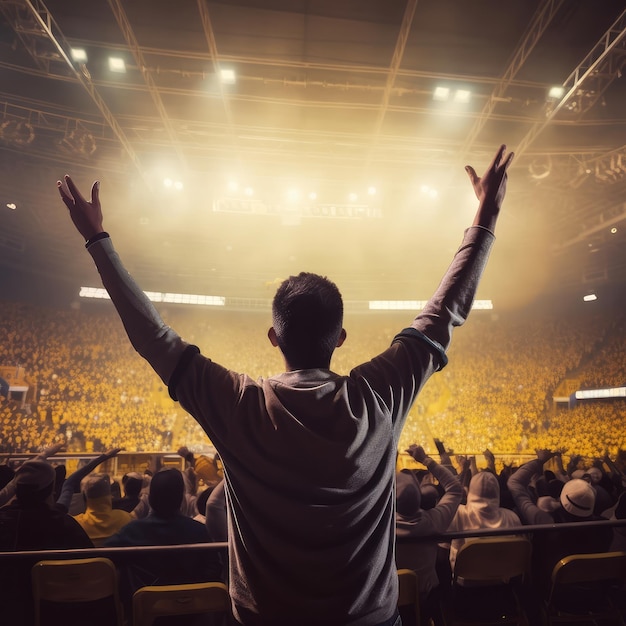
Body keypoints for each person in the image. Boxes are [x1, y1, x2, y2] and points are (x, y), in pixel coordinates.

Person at [57, 144, 513, 626]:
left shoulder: (237, 404)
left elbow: (154, 338)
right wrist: (484, 220)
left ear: (274, 337)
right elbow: (443, 316)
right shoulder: (378, 395)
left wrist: (97, 240)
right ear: (340, 338)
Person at [105, 468, 222, 607]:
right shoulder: (200, 531)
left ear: (150, 498)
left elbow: (103, 560)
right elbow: (213, 571)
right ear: (180, 499)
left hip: (145, 610)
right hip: (191, 611)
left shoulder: (132, 531)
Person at [395, 444, 463, 626]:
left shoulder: (382, 527)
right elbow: (456, 489)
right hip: (428, 597)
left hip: (392, 599)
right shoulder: (433, 521)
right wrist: (426, 460)